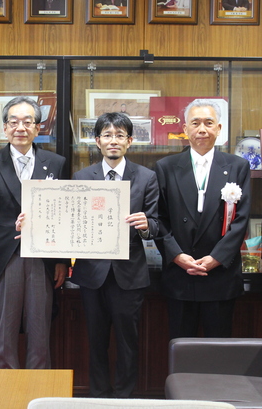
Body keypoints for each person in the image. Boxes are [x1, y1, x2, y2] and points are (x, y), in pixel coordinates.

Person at [0, 96, 67, 369]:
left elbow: (64, 213)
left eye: (27, 122)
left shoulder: (56, 163)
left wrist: (62, 260)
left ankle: (39, 387)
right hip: (3, 257)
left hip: (43, 257)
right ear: (4, 128)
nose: (20, 128)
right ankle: (4, 387)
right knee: (4, 332)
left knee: (40, 330)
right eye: (13, 122)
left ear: (38, 128)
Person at [71, 112, 159, 398]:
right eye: (107, 135)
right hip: (92, 273)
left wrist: (147, 225)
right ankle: (98, 395)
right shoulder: (82, 177)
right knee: (95, 340)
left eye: (120, 135)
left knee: (127, 341)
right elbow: (72, 221)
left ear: (129, 141)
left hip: (129, 274)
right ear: (97, 141)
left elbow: (156, 224)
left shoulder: (146, 177)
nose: (113, 141)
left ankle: (124, 397)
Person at [155, 99, 250, 339]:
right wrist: (177, 256)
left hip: (220, 275)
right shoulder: (166, 167)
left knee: (218, 350)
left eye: (209, 123)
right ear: (185, 129)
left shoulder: (238, 166)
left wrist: (216, 259)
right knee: (180, 347)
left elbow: (241, 220)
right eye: (195, 123)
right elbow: (158, 218)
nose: (202, 129)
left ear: (219, 128)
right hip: (180, 274)